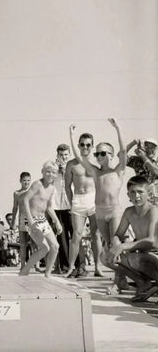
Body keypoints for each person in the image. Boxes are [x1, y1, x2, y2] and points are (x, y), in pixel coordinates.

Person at [69, 119, 128, 293]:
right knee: (109, 247)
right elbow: (79, 156)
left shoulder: (118, 170)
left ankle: (118, 283)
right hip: (100, 212)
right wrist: (71, 136)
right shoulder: (95, 172)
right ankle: (121, 279)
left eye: (103, 153)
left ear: (111, 155)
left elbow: (124, 150)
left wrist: (118, 128)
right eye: (97, 154)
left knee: (116, 246)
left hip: (114, 211)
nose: (99, 156)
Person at [107, 176, 158, 302]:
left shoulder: (153, 211)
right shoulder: (129, 211)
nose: (137, 196)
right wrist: (116, 244)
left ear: (149, 194)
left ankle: (154, 287)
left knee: (135, 259)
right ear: (128, 194)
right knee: (107, 256)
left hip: (155, 254)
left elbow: (152, 241)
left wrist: (123, 246)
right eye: (133, 192)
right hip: (143, 254)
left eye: (140, 192)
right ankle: (143, 283)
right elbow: (118, 234)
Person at [65, 132, 103, 278]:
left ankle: (98, 267)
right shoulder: (71, 164)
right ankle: (71, 267)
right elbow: (67, 186)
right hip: (78, 200)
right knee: (77, 235)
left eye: (88, 144)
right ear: (78, 145)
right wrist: (71, 204)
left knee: (96, 234)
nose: (85, 147)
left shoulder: (96, 165)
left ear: (92, 146)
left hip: (93, 200)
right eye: (82, 144)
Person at [19, 161, 62, 278]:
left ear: (56, 174)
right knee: (44, 248)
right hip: (31, 219)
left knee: (55, 246)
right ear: (42, 172)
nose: (50, 175)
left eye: (53, 172)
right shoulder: (37, 184)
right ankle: (25, 270)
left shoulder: (52, 188)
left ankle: (47, 273)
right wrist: (30, 220)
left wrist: (57, 222)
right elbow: (25, 200)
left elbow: (49, 207)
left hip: (42, 220)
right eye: (48, 172)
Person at [51, 144, 73, 274]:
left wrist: (66, 170)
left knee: (75, 235)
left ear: (69, 155)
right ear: (57, 155)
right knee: (62, 236)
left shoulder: (73, 166)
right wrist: (57, 170)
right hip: (57, 206)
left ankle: (79, 265)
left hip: (71, 204)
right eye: (61, 155)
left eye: (65, 155)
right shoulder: (53, 167)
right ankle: (64, 265)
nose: (63, 157)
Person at [10, 172, 32, 269]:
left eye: (28, 180)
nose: (26, 183)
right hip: (22, 218)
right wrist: (13, 220)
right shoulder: (17, 193)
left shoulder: (33, 191)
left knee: (34, 243)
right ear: (20, 181)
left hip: (33, 219)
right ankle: (23, 264)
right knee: (23, 244)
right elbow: (15, 207)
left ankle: (36, 264)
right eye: (24, 181)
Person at [126, 138, 158, 205]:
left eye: (152, 147)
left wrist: (144, 157)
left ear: (156, 149)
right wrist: (133, 142)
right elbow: (121, 156)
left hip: (155, 199)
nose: (150, 150)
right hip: (140, 199)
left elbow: (156, 172)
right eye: (147, 147)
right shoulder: (137, 160)